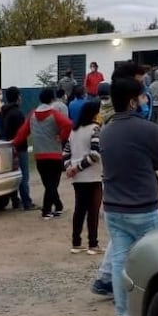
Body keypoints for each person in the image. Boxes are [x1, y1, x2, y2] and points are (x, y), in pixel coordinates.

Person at [99, 77, 158, 316]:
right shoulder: (148, 129)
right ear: (132, 101)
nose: (145, 100)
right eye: (142, 96)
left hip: (114, 209)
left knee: (120, 262)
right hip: (144, 209)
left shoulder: (105, 131)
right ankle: (156, 313)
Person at [11, 87, 72, 219]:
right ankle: (47, 210)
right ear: (52, 99)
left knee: (48, 184)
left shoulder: (32, 115)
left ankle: (58, 206)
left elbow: (22, 133)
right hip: (54, 155)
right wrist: (61, 137)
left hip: (39, 156)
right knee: (52, 184)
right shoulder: (54, 114)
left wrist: (13, 143)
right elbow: (68, 124)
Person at [63, 100, 103, 254]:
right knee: (93, 211)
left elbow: (65, 153)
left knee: (79, 209)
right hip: (92, 176)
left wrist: (70, 168)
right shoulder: (95, 129)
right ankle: (93, 244)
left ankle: (76, 242)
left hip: (77, 178)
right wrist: (78, 168)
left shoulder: (74, 130)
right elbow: (95, 154)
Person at [1, 86, 35, 211]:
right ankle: (26, 201)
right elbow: (23, 131)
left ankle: (15, 200)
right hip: (20, 146)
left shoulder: (4, 111)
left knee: (13, 173)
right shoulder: (18, 113)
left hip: (8, 145)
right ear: (17, 97)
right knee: (24, 176)